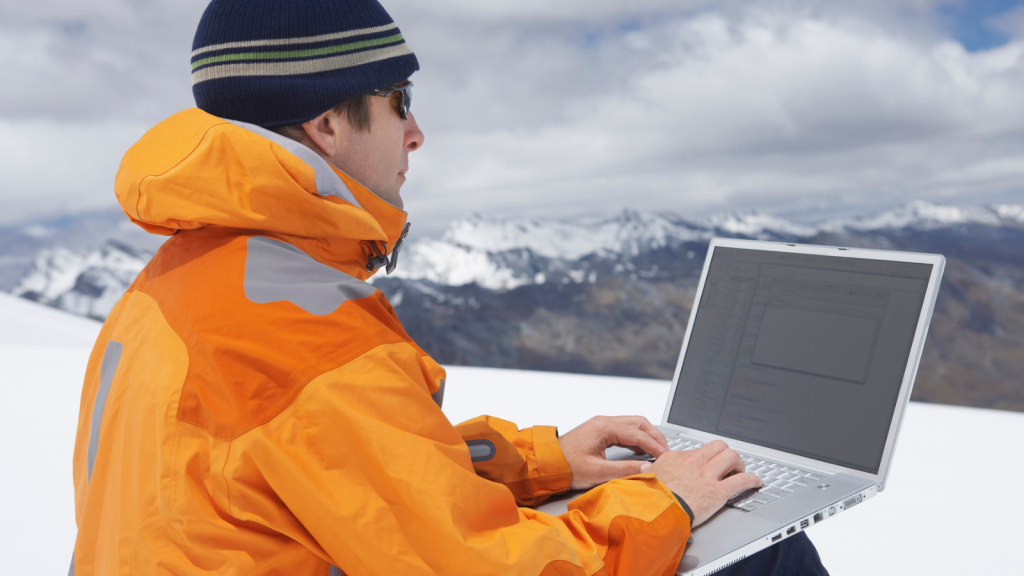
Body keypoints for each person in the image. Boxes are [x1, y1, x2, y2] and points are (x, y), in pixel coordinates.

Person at [69, 1, 829, 575]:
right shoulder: (298, 337)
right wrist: (667, 500)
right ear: (329, 122)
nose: (415, 132)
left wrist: (542, 463)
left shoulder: (182, 282)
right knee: (760, 554)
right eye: (399, 100)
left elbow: (334, 474)